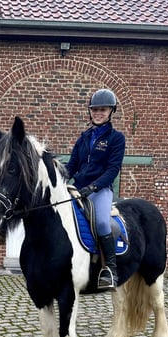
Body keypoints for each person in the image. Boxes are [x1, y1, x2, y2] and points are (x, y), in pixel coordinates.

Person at [65, 88, 126, 289]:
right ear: (90, 112)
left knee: (101, 222)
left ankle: (110, 269)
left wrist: (93, 186)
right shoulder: (83, 138)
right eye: (95, 109)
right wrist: (61, 180)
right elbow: (71, 165)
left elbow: (112, 169)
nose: (98, 113)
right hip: (77, 189)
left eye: (103, 110)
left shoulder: (116, 138)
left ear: (111, 112)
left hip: (100, 190)